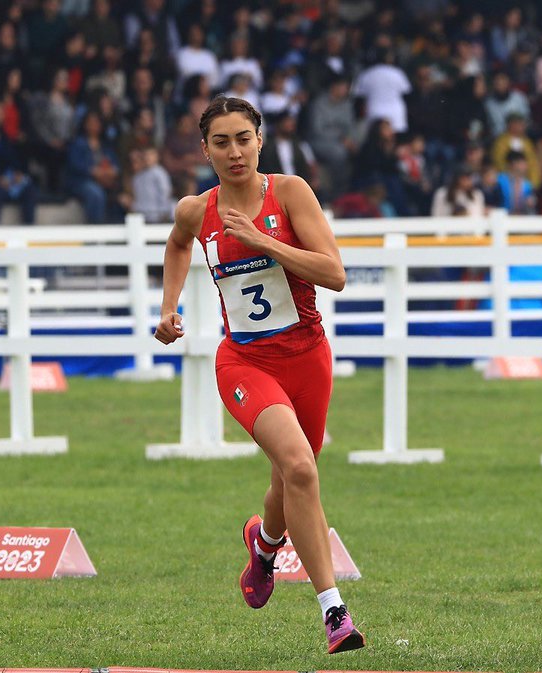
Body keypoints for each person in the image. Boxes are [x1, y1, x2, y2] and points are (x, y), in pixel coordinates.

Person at [154, 96, 363, 655]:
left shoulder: (290, 193)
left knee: (288, 479)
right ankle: (334, 613)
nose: (234, 151)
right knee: (298, 466)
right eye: (220, 142)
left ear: (259, 141)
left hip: (308, 357)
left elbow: (335, 274)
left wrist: (262, 240)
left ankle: (264, 543)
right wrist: (169, 306)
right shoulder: (196, 210)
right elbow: (177, 246)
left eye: (243, 138)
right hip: (245, 363)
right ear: (204, 150)